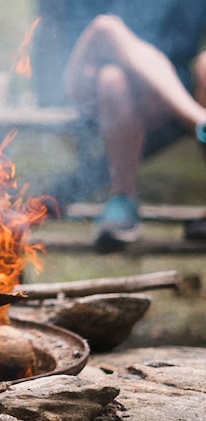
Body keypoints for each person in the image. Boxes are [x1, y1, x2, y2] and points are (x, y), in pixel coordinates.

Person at [62, 2, 206, 252]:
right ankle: (199, 121)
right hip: (86, 79)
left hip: (159, 89)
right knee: (108, 41)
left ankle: (123, 209)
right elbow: (91, 33)